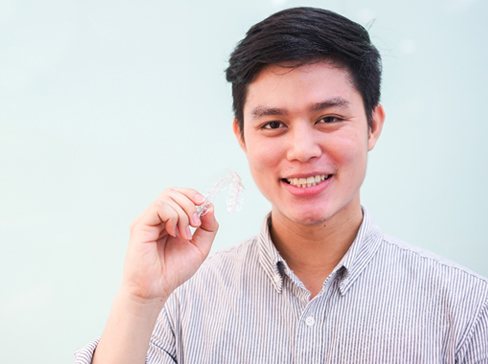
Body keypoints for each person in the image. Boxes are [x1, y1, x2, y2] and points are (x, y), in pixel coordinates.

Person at [75, 7, 488, 363]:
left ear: (373, 125)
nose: (302, 149)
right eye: (274, 124)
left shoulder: (465, 308)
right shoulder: (180, 300)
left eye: (328, 118)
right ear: (242, 136)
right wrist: (140, 296)